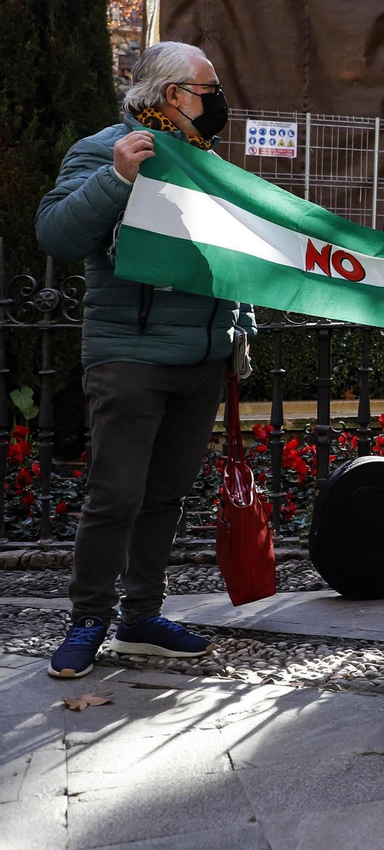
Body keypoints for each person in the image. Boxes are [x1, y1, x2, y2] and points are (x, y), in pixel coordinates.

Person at [35, 41, 255, 678]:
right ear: (169, 96)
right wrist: (116, 177)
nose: (218, 103)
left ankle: (140, 617)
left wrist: (237, 332)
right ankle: (87, 620)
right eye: (207, 91)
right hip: (129, 358)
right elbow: (56, 233)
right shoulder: (105, 149)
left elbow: (228, 257)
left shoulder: (205, 162)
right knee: (115, 496)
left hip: (201, 359)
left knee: (164, 497)